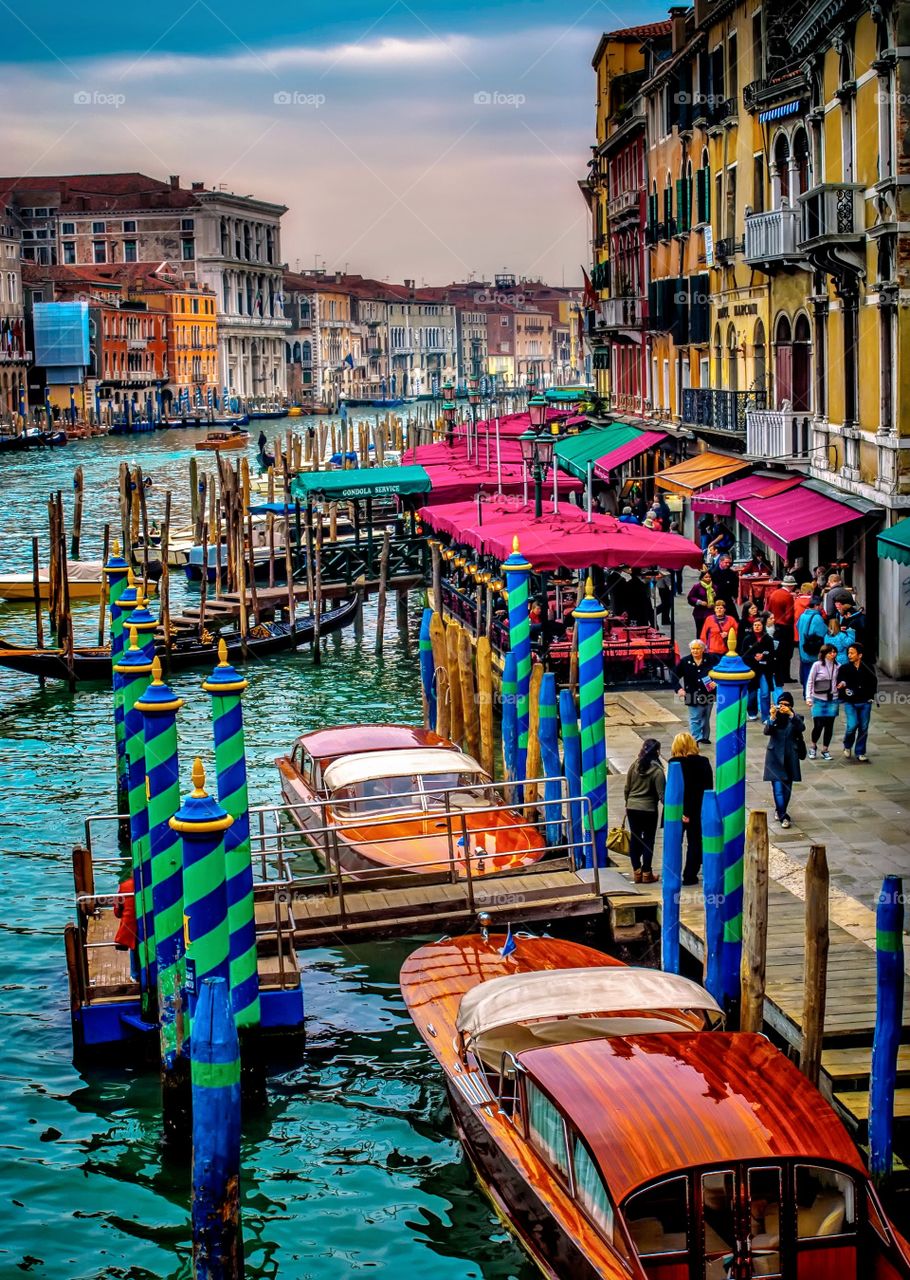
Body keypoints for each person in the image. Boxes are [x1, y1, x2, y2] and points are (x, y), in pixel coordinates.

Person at [669, 732, 714, 885]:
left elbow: (675, 790)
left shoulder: (674, 763)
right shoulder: (703, 762)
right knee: (695, 842)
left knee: (674, 842)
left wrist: (682, 811)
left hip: (677, 809)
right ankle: (690, 874)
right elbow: (708, 786)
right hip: (698, 808)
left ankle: (672, 872)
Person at [623, 738, 665, 884]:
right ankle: (647, 872)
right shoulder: (658, 771)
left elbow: (627, 788)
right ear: (657, 752)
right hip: (649, 810)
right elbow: (662, 795)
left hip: (632, 808)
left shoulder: (634, 765)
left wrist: (627, 803)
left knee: (635, 838)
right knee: (648, 840)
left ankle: (637, 871)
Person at [763, 690, 805, 828]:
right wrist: (772, 717)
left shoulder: (796, 718)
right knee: (778, 789)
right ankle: (783, 817)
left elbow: (801, 728)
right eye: (780, 704)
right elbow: (767, 731)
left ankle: (780, 809)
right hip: (774, 757)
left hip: (790, 757)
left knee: (787, 789)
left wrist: (791, 714)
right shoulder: (774, 718)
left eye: (786, 704)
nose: (782, 707)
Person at [838, 642, 877, 762]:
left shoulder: (868, 667)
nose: (849, 655)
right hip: (851, 702)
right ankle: (848, 744)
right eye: (848, 653)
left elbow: (873, 682)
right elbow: (841, 681)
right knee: (852, 725)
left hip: (865, 701)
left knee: (863, 727)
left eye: (852, 653)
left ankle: (860, 751)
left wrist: (871, 696)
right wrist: (842, 686)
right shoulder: (844, 668)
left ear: (859, 655)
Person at [674, 638, 716, 743]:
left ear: (703, 649)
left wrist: (716, 682)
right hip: (691, 693)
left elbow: (721, 670)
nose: (695, 651)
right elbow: (674, 676)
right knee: (695, 717)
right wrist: (678, 689)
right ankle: (696, 738)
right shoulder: (685, 661)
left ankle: (705, 737)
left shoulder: (711, 659)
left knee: (705, 717)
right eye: (693, 649)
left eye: (697, 648)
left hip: (708, 693)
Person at [805, 643, 840, 761]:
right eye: (830, 652)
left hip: (833, 698)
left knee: (829, 726)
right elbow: (810, 681)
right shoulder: (817, 665)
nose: (833, 654)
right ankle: (813, 745)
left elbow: (841, 680)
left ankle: (825, 749)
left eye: (834, 652)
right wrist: (808, 697)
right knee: (818, 725)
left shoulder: (838, 666)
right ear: (824, 653)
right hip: (818, 698)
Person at [741, 617, 778, 722]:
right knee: (751, 694)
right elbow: (743, 655)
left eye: (759, 625)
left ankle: (766, 716)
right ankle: (752, 712)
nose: (757, 627)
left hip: (765, 670)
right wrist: (753, 657)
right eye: (755, 625)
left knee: (765, 693)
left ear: (763, 627)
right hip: (752, 671)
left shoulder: (768, 639)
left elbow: (772, 654)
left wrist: (763, 656)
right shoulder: (747, 639)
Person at [766, 574, 797, 684]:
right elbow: (789, 615)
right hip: (785, 627)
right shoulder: (788, 597)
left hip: (775, 625)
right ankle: (785, 676)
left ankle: (777, 674)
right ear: (792, 586)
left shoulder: (774, 593)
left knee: (777, 652)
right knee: (787, 654)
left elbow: (767, 609)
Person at [797, 596, 828, 689]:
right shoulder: (817, 617)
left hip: (803, 648)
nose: (821, 608)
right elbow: (822, 633)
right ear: (816, 606)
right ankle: (812, 693)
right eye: (820, 606)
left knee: (806, 671)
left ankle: (806, 693)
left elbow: (797, 626)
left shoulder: (802, 615)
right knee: (814, 673)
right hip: (813, 650)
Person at [113, 874, 139, 981]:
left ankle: (134, 975)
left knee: (134, 945)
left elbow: (117, 911)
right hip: (151, 923)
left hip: (130, 926)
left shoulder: (124, 886)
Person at [710, 554, 740, 619]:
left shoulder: (732, 574)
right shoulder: (713, 573)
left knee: (734, 618)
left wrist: (735, 596)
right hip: (717, 599)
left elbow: (735, 586)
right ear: (720, 562)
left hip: (728, 599)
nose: (728, 564)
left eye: (729, 563)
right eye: (726, 562)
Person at [688, 570, 716, 638]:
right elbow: (690, 597)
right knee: (700, 631)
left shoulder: (714, 587)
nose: (708, 579)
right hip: (700, 613)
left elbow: (718, 598)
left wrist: (714, 604)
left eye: (709, 577)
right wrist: (699, 602)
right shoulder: (697, 586)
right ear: (702, 578)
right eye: (706, 577)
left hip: (711, 612)